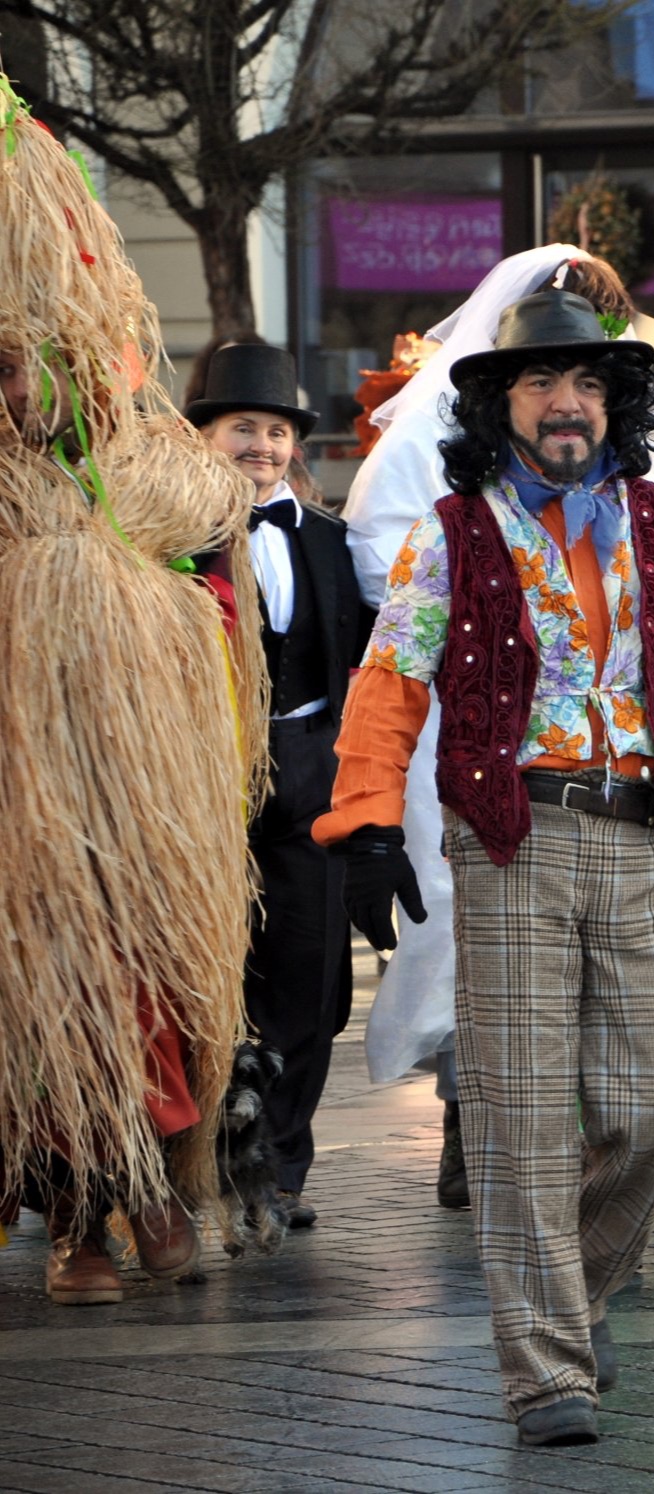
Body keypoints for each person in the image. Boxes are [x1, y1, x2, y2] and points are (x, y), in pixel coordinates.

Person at [314, 288, 654, 1446]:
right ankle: (546, 1367)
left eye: (588, 383)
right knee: (521, 1117)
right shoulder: (452, 533)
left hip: (643, 838)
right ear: (500, 404)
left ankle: (572, 1294)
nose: (566, 404)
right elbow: (389, 681)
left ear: (615, 404)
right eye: (541, 382)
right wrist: (367, 822)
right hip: (512, 841)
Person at [0, 88, 260, 1307]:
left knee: (141, 980)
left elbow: (218, 594)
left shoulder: (149, 473)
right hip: (25, 817)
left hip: (133, 809)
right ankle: (74, 1221)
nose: (21, 389)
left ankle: (149, 1186)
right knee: (40, 990)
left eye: (31, 363)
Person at [342, 247, 634, 1210]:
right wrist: (486, 600)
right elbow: (382, 554)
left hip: (592, 748)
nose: (564, 393)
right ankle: (474, 1118)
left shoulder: (613, 457)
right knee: (469, 917)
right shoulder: (437, 434)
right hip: (466, 719)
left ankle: (578, 1131)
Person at [188, 343, 373, 1228]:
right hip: (198, 772)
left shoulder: (333, 542)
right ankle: (198, 1162)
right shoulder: (166, 540)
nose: (261, 446)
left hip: (311, 764)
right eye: (242, 428)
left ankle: (281, 1168)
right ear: (204, 437)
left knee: (310, 970)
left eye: (276, 431)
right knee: (207, 970)